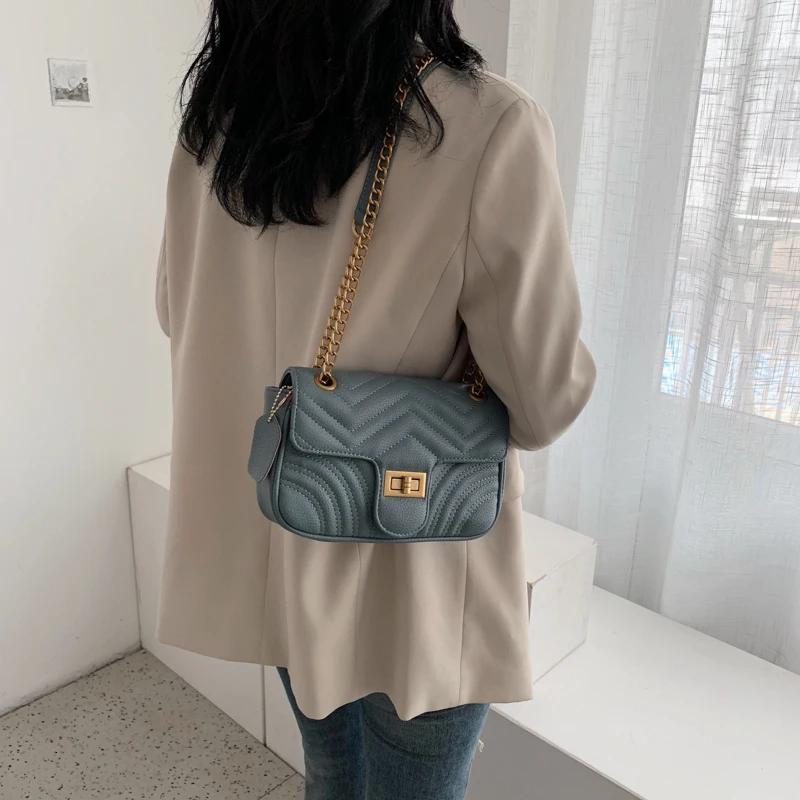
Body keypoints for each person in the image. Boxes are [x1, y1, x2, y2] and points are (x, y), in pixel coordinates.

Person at [154, 1, 595, 798]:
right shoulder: (485, 124)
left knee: (332, 777)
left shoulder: (218, 122)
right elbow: (543, 404)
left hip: (285, 532)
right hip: (415, 570)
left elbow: (173, 310)